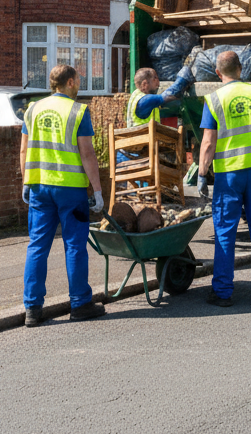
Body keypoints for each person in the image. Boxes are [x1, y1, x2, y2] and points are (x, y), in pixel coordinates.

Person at [20, 64, 107, 327]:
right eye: (78, 79)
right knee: (74, 246)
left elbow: (24, 150)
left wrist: (26, 180)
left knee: (37, 246)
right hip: (70, 189)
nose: (79, 83)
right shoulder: (78, 110)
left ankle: (32, 310)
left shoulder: (33, 109)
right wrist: (99, 191)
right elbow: (87, 154)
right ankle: (80, 303)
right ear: (70, 82)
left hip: (39, 188)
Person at [198, 50, 251, 307]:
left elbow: (208, 143)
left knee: (226, 231)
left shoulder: (213, 99)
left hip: (229, 175)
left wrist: (202, 174)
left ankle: (223, 292)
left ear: (217, 72)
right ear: (241, 68)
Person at [128, 65, 194, 127]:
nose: (158, 82)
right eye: (155, 78)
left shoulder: (136, 95)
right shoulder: (145, 100)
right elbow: (171, 94)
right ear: (145, 84)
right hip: (144, 137)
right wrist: (183, 77)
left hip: (139, 136)